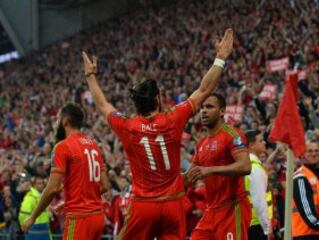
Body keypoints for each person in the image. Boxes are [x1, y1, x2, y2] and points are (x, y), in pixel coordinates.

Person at [82, 28, 234, 240]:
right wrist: (220, 58)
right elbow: (204, 90)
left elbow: (102, 104)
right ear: (157, 98)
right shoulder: (174, 118)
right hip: (173, 203)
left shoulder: (128, 126)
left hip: (143, 206)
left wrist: (90, 75)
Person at [21, 103, 110, 240]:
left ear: (65, 121)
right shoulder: (93, 145)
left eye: (58, 118)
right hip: (97, 217)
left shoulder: (63, 147)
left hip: (79, 218)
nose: (56, 123)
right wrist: (70, 201)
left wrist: (32, 217)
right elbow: (105, 186)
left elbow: (52, 188)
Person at [187, 93, 252, 240]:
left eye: (209, 107)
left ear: (222, 111)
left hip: (232, 207)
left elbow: (245, 166)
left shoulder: (233, 135)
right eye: (202, 107)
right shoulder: (202, 143)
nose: (203, 110)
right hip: (211, 211)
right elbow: (189, 176)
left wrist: (210, 170)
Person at [244, 130, 273, 240]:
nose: (264, 142)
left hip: (249, 221)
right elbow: (259, 200)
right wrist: (267, 227)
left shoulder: (245, 164)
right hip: (257, 224)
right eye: (260, 141)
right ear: (251, 145)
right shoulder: (254, 167)